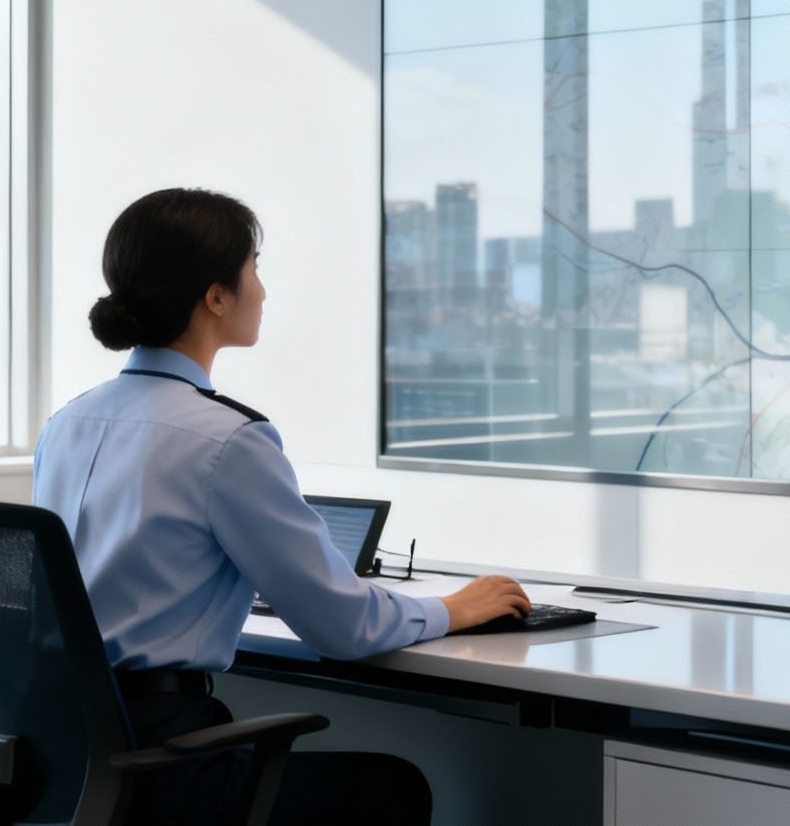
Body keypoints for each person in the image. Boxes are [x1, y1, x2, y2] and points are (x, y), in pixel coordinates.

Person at [33, 187, 531, 825]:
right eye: (254, 271)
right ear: (216, 295)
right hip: (162, 766)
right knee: (392, 787)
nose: (262, 291)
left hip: (62, 754)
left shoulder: (66, 423)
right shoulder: (226, 439)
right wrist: (455, 607)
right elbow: (343, 627)